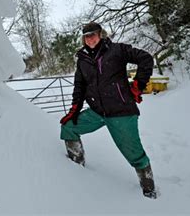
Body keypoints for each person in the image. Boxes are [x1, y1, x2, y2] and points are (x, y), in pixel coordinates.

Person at [60, 21, 157, 199]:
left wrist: (138, 84)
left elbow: (145, 58)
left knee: (134, 154)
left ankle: (149, 189)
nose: (90, 39)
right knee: (69, 127)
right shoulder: (83, 60)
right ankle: (75, 169)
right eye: (86, 36)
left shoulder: (117, 50)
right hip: (97, 112)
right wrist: (75, 109)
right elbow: (79, 86)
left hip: (121, 112)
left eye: (93, 35)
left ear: (100, 34)